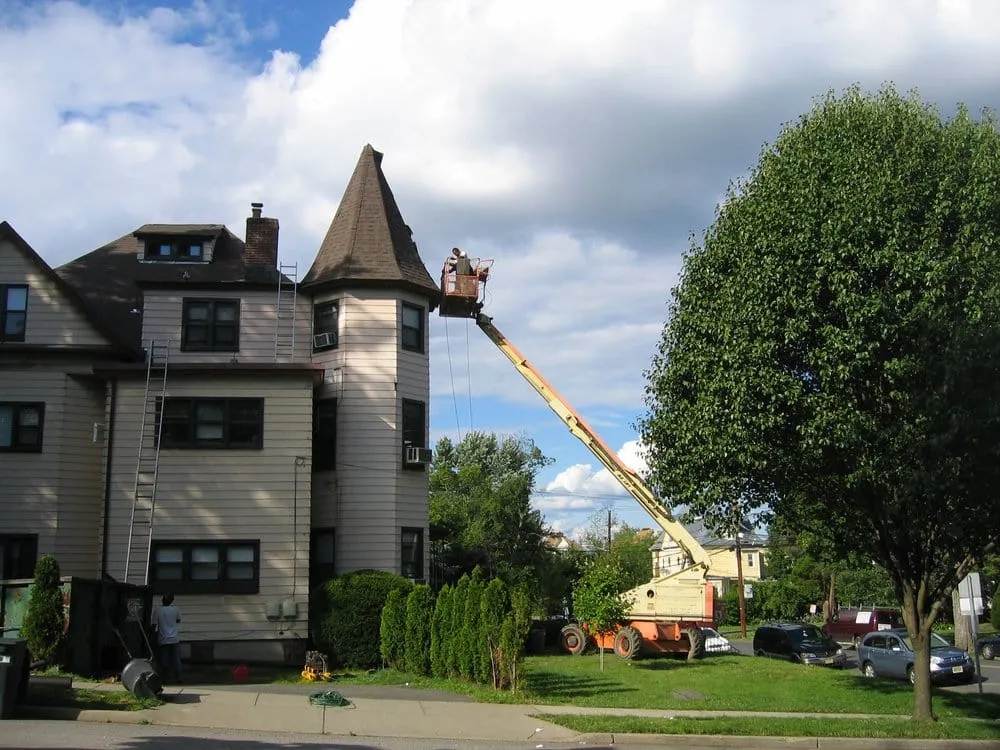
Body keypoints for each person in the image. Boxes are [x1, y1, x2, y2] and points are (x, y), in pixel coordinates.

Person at [152, 593, 182, 683]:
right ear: (172, 600)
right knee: (176, 658)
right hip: (175, 638)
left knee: (164, 658)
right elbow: (178, 620)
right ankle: (178, 676)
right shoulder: (175, 609)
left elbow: (154, 624)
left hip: (163, 638)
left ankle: (165, 677)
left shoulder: (158, 610)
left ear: (162, 600)